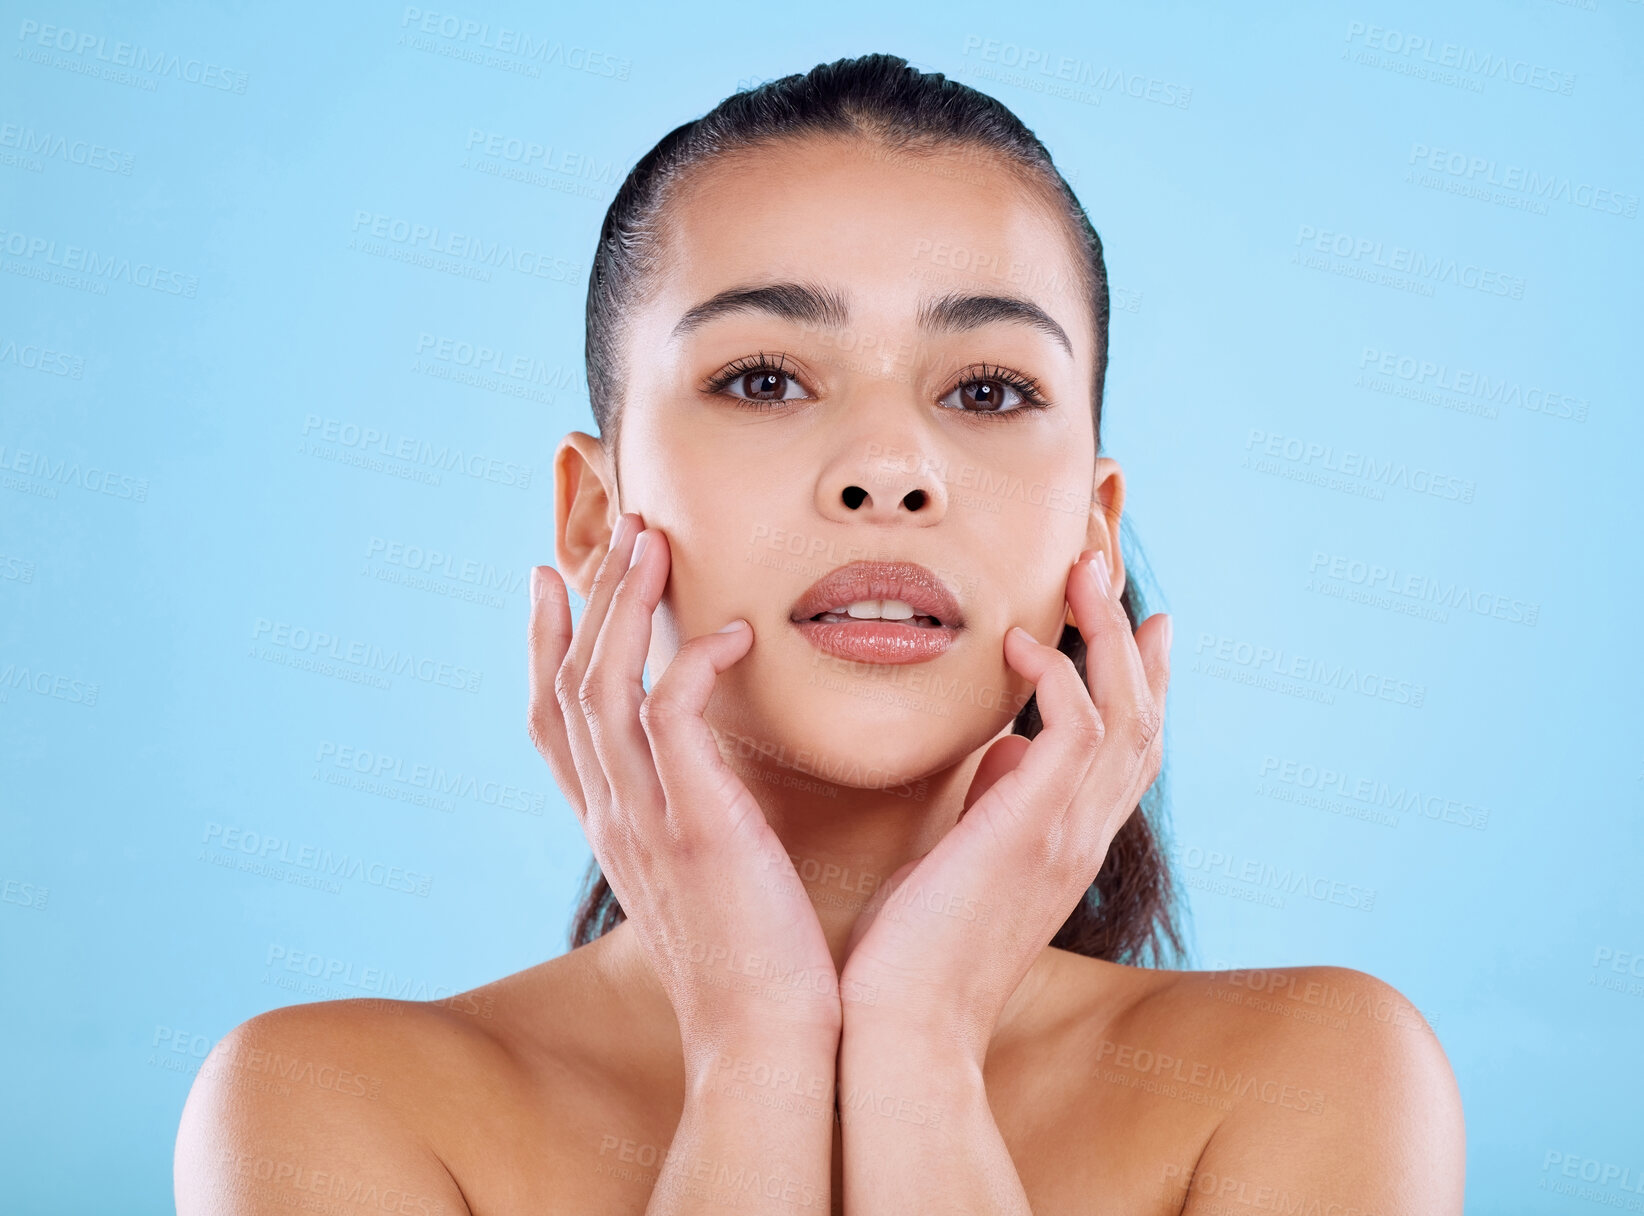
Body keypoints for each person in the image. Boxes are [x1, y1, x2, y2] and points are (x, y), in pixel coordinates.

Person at [175, 53, 1465, 1214]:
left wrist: (916, 1042)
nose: (891, 470)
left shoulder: (1315, 1081)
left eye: (988, 390)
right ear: (591, 513)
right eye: (763, 379)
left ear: (1094, 532)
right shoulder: (324, 1110)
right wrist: (755, 1045)